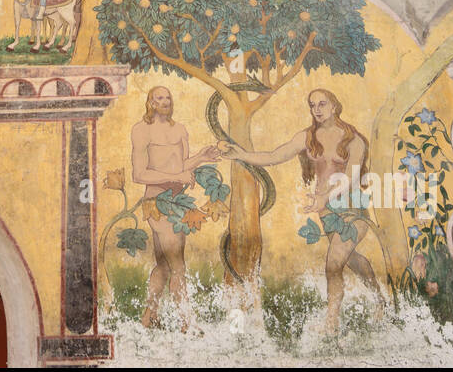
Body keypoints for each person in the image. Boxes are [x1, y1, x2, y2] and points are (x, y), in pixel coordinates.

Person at [222, 88, 383, 333]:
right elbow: (275, 155)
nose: (316, 110)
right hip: (327, 212)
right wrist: (241, 154)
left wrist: (325, 197)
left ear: (334, 106)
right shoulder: (308, 138)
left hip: (352, 210)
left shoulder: (353, 139)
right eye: (312, 105)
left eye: (322, 104)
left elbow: (350, 177)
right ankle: (380, 299)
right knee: (350, 260)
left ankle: (331, 324)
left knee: (333, 264)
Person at [131, 86, 220, 329]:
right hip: (158, 204)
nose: (165, 101)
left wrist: (201, 157)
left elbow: (181, 166)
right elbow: (139, 174)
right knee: (178, 265)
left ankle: (149, 317)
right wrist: (178, 176)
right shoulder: (141, 130)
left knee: (164, 265)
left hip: (177, 204)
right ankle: (186, 322)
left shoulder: (179, 129)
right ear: (150, 102)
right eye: (159, 97)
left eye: (168, 97)